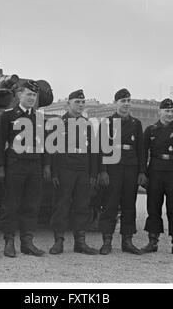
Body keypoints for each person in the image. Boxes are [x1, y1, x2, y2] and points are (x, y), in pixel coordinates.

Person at [0, 80, 51, 258]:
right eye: (28, 94)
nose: (32, 98)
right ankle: (9, 241)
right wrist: (0, 167)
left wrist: (46, 165)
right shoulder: (8, 116)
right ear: (19, 95)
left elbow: (46, 145)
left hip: (34, 164)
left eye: (34, 95)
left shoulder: (40, 118)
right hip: (15, 163)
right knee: (11, 204)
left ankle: (27, 242)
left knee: (31, 204)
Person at [49, 89, 99, 255]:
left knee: (82, 206)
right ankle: (59, 241)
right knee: (61, 205)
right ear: (68, 104)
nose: (80, 105)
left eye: (82, 102)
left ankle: (80, 242)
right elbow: (52, 150)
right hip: (65, 169)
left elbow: (93, 150)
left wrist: (93, 174)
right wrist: (54, 173)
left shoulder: (87, 124)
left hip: (83, 169)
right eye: (77, 102)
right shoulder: (58, 123)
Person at [97, 88, 147, 255]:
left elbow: (141, 150)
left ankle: (127, 241)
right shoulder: (107, 122)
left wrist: (141, 172)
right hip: (113, 168)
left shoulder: (136, 124)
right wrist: (102, 171)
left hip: (131, 168)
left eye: (128, 101)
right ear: (115, 103)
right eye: (122, 101)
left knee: (129, 205)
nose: (126, 104)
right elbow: (101, 149)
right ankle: (107, 241)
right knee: (110, 204)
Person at [141, 98, 173, 258]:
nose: (169, 114)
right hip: (155, 171)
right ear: (159, 112)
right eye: (167, 111)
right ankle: (152, 241)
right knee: (153, 207)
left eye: (172, 111)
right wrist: (142, 173)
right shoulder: (150, 130)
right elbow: (143, 154)